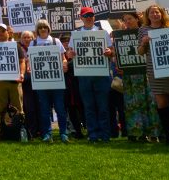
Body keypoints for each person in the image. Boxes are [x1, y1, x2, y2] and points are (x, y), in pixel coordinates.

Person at [138, 4, 169, 144]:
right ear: (148, 15)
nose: (155, 14)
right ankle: (168, 135)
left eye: (157, 12)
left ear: (161, 13)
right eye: (151, 12)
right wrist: (144, 43)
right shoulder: (143, 30)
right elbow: (140, 52)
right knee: (161, 103)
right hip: (154, 70)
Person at [67, 7, 114, 143]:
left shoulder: (102, 32)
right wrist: (70, 54)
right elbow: (70, 52)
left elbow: (111, 50)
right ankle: (93, 134)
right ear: (81, 18)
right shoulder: (76, 33)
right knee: (89, 106)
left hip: (101, 74)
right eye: (86, 15)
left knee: (103, 106)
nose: (89, 17)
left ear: (94, 17)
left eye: (91, 15)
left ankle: (105, 134)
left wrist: (109, 52)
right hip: (84, 75)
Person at [118, 11, 159, 142]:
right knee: (132, 104)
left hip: (145, 73)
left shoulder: (144, 31)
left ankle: (154, 132)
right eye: (125, 20)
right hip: (129, 75)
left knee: (149, 103)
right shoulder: (120, 35)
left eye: (130, 18)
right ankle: (136, 132)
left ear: (137, 19)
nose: (127, 22)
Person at [31, 20, 69, 143]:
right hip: (41, 83)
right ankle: (47, 134)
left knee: (60, 109)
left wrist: (64, 64)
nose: (43, 29)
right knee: (44, 110)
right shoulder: (34, 43)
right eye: (40, 27)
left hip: (56, 81)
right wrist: (29, 67)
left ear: (48, 28)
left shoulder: (55, 41)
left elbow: (63, 58)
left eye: (45, 27)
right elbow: (29, 61)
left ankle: (64, 133)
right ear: (37, 30)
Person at [0, 23, 26, 139]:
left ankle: (20, 131)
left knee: (18, 108)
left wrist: (21, 74)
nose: (0, 33)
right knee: (1, 109)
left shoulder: (15, 45)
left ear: (7, 33)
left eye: (3, 31)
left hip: (14, 81)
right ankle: (1, 133)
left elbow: (22, 61)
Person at [19, 30, 40, 139]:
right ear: (21, 39)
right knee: (29, 107)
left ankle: (40, 130)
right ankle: (31, 131)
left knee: (40, 106)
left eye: (29, 37)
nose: (27, 39)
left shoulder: (37, 47)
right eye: (25, 37)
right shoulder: (18, 49)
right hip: (26, 82)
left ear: (33, 38)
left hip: (38, 79)